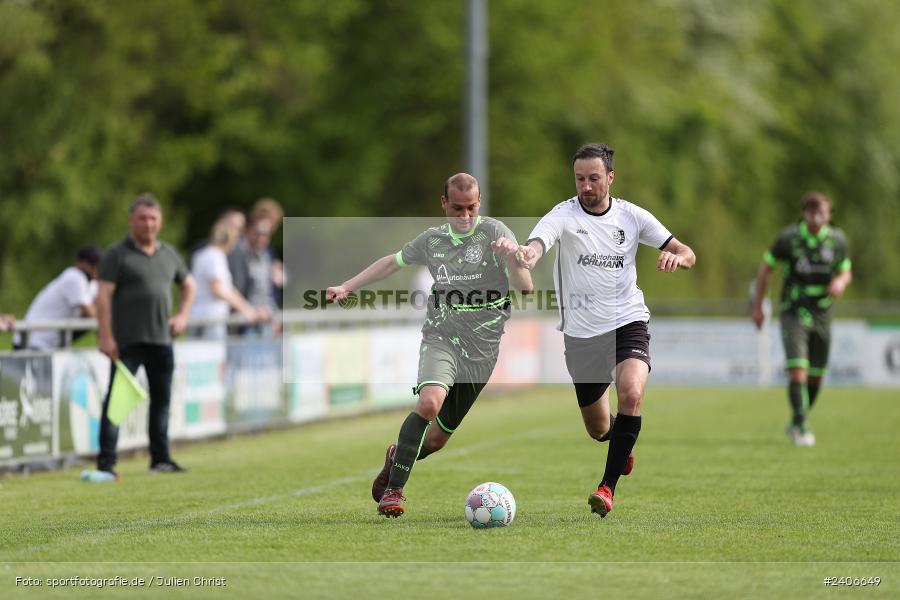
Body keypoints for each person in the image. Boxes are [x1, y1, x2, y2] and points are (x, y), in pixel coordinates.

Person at [326, 173, 534, 518]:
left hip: (482, 351)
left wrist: (513, 259)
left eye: (471, 208)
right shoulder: (432, 240)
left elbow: (525, 287)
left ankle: (397, 457)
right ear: (444, 203)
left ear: (479, 203)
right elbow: (391, 262)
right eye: (457, 209)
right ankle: (394, 492)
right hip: (442, 337)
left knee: (436, 440)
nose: (464, 216)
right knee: (429, 402)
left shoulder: (495, 233)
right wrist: (347, 286)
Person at [516, 143, 696, 519]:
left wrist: (676, 257)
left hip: (628, 322)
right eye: (580, 178)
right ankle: (621, 441)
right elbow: (538, 243)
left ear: (610, 178)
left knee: (632, 393)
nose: (586, 186)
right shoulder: (563, 215)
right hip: (582, 337)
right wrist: (527, 255)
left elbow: (687, 251)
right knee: (599, 429)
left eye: (594, 178)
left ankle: (606, 488)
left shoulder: (632, 216)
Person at [94, 193, 196, 480]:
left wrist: (182, 315)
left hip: (162, 340)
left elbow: (189, 285)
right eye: (142, 218)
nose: (148, 224)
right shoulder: (117, 254)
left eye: (153, 218)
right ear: (131, 221)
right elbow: (103, 296)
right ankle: (106, 463)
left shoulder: (168, 254)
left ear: (160, 221)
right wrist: (105, 336)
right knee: (117, 403)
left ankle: (160, 459)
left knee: (162, 402)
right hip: (127, 342)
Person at [751, 192, 852, 447]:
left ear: (829, 215)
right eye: (812, 211)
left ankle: (797, 419)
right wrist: (758, 305)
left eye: (822, 212)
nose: (817, 217)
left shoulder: (837, 240)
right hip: (794, 311)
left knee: (816, 376)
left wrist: (840, 282)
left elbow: (846, 270)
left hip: (823, 313)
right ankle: (802, 426)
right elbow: (765, 269)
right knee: (798, 369)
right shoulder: (789, 239)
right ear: (804, 214)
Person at [190, 219, 269, 339]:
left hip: (203, 318)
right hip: (210, 320)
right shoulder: (215, 257)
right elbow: (218, 290)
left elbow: (227, 288)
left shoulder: (202, 254)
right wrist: (246, 310)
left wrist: (248, 309)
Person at [14, 245, 102, 350]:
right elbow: (91, 313)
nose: (95, 268)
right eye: (92, 264)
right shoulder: (74, 277)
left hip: (48, 345)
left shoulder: (90, 283)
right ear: (80, 263)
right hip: (32, 343)